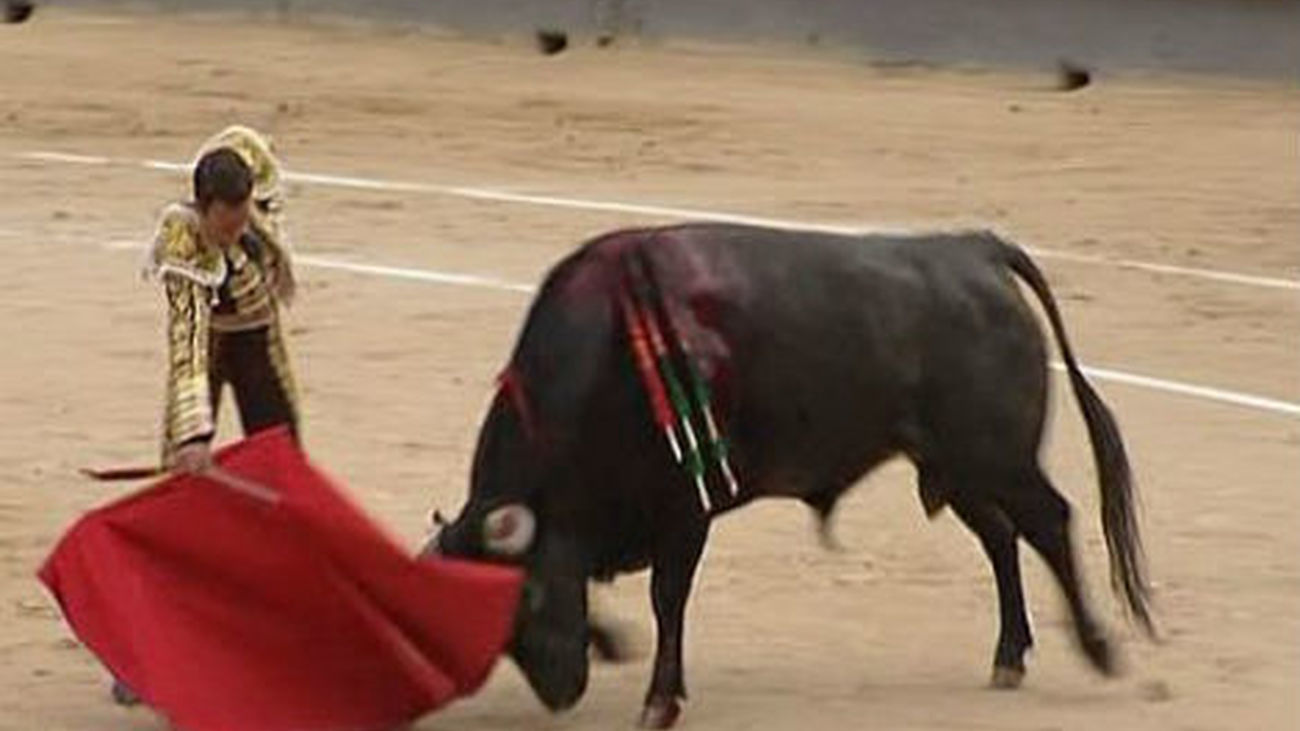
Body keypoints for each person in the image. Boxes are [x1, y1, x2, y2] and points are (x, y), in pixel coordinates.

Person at [113, 128, 301, 706]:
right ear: (203, 209)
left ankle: (289, 621)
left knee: (289, 478)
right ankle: (141, 650)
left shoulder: (253, 174)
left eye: (243, 220)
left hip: (258, 338)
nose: (235, 232)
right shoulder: (184, 242)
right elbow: (188, 342)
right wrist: (193, 433)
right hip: (211, 347)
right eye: (226, 225)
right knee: (178, 498)